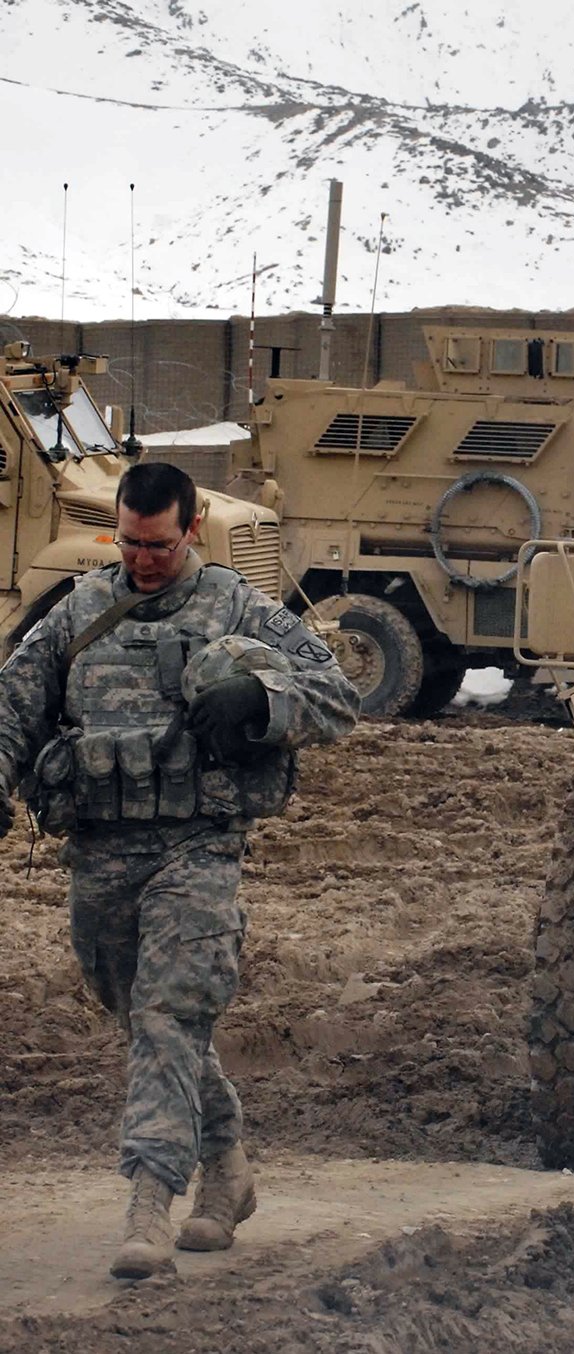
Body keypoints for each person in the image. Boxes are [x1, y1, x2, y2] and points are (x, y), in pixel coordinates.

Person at [0, 462, 360, 1281]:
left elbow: (338, 695)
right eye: (128, 542)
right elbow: (13, 704)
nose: (142, 559)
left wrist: (262, 704)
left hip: (198, 847)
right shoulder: (82, 609)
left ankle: (149, 1202)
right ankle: (228, 1167)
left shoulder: (239, 607)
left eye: (157, 544)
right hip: (100, 850)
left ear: (190, 529)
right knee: (145, 1021)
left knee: (168, 1014)